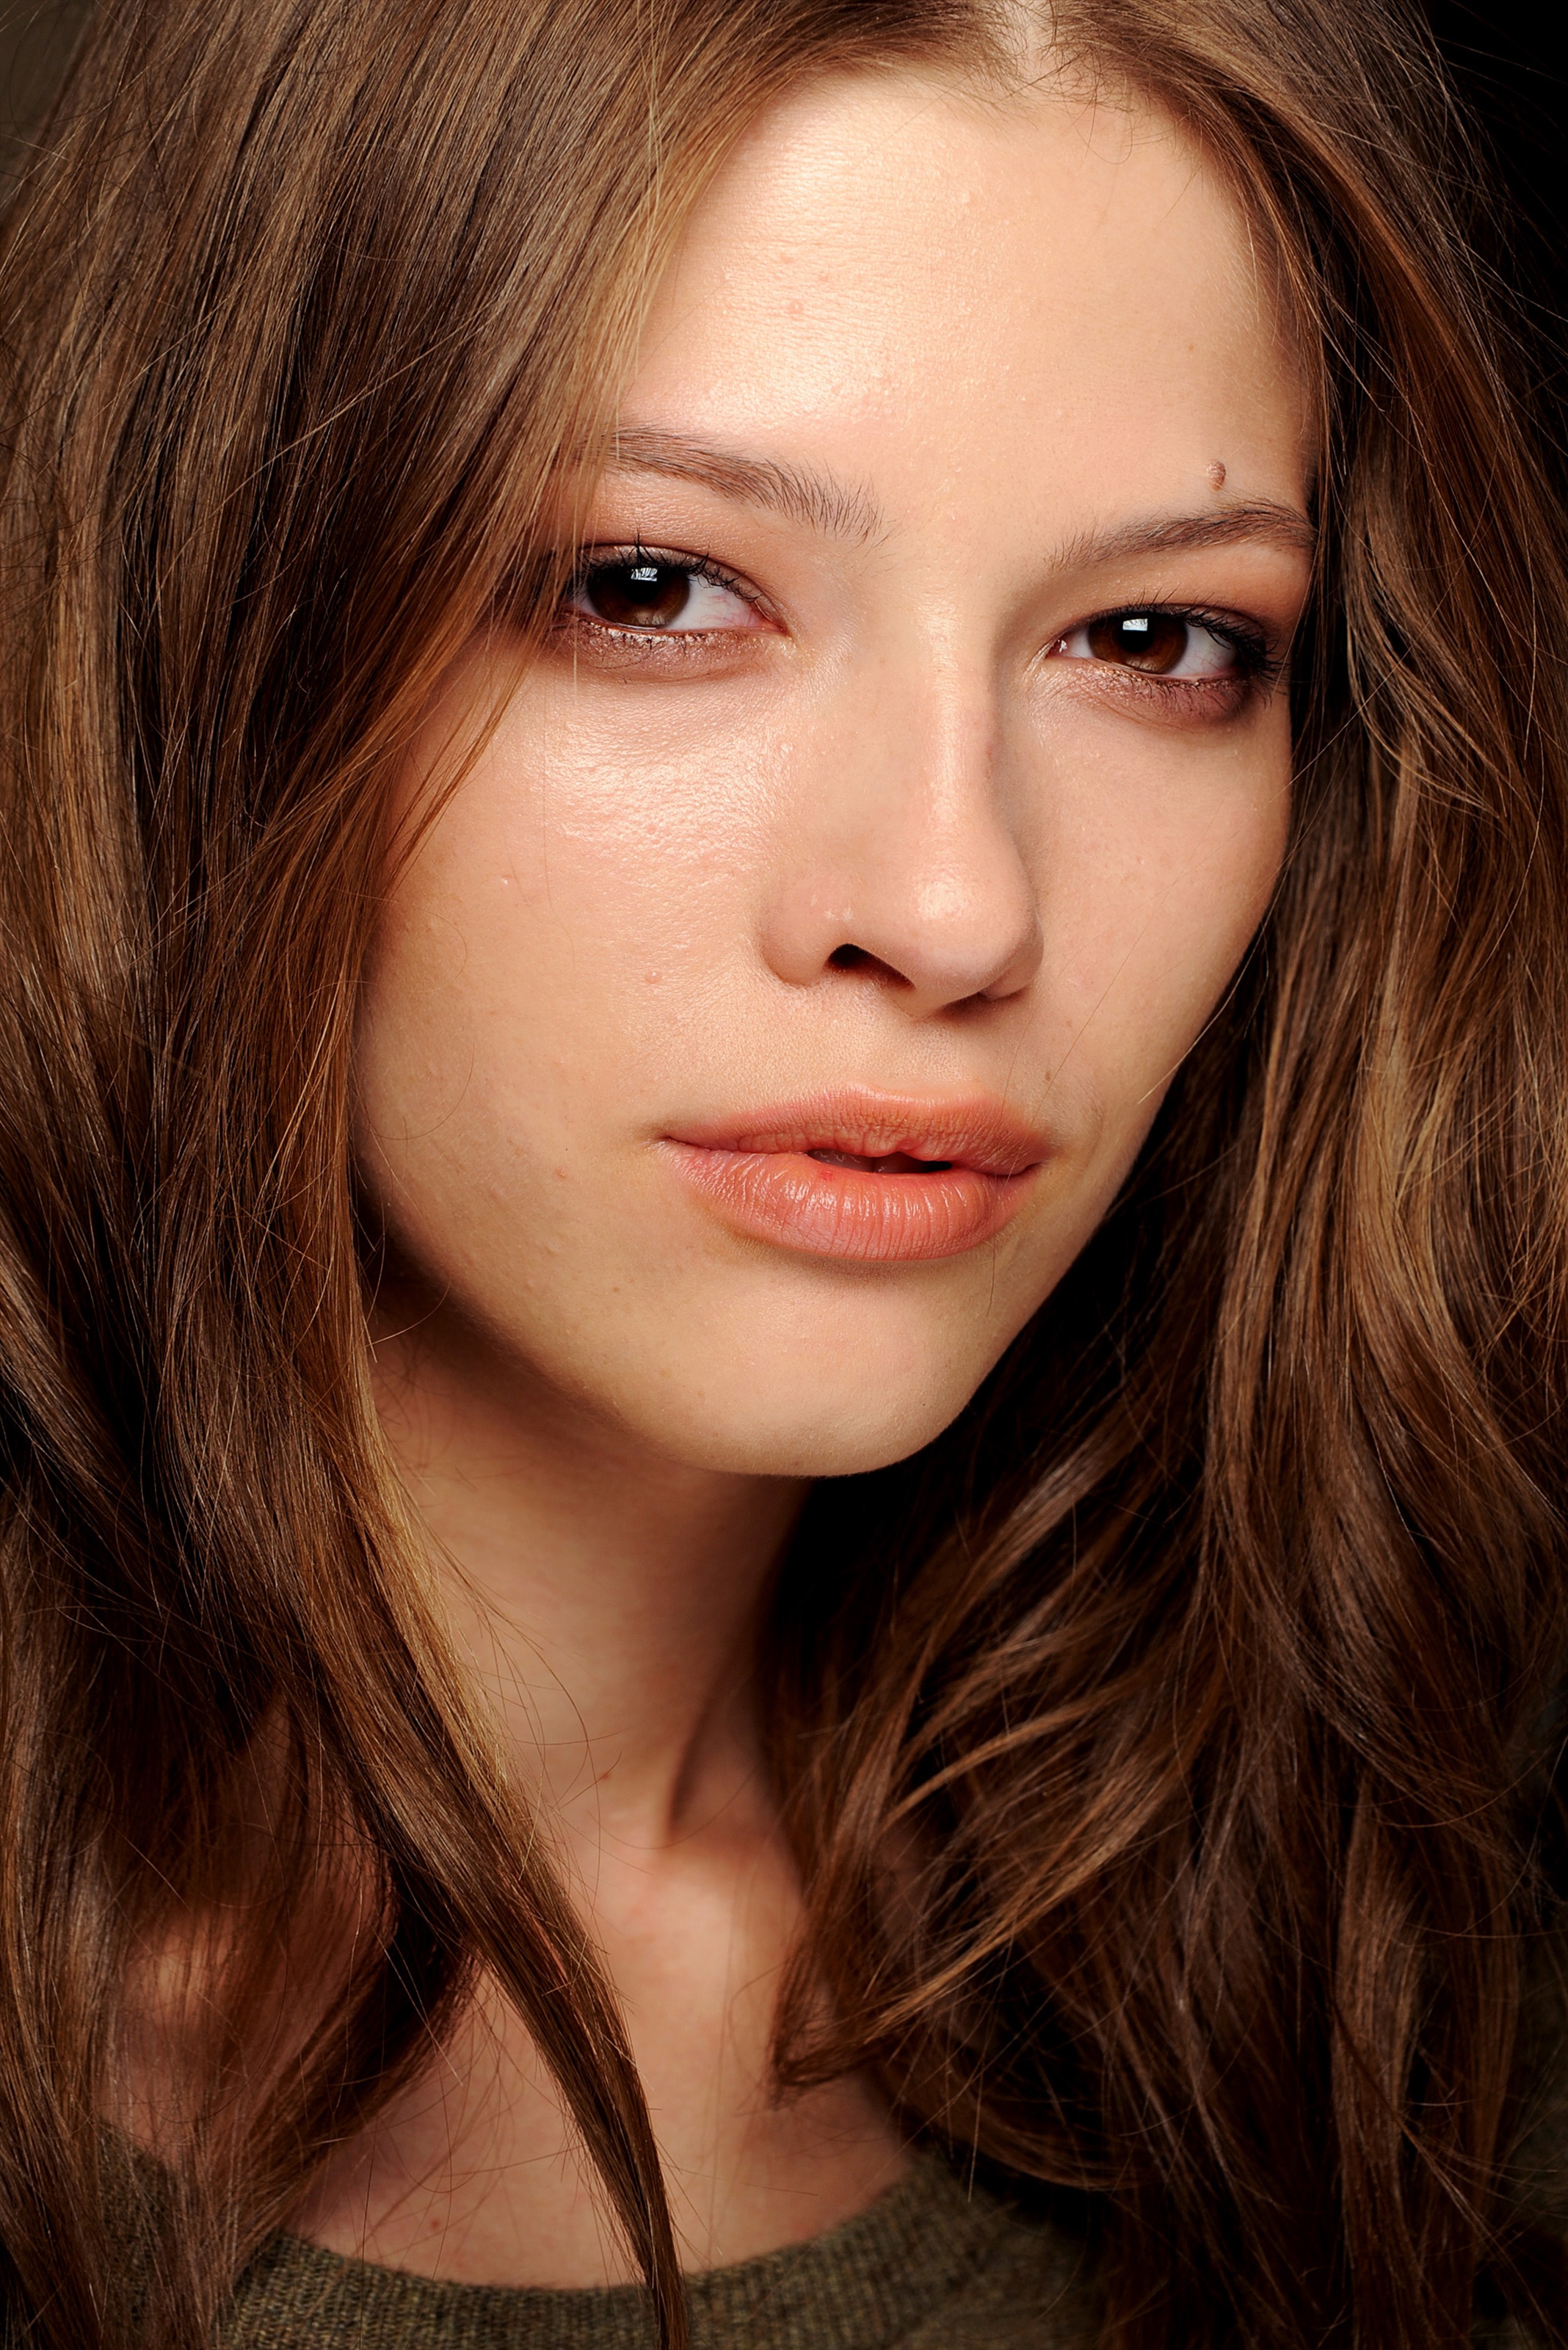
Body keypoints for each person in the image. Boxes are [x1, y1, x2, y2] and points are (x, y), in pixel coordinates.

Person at [1, 1, 1564, 2343]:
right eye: (654, 589)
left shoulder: (1404, 2024)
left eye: (1157, 639)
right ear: (196, 626)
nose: (954, 905)